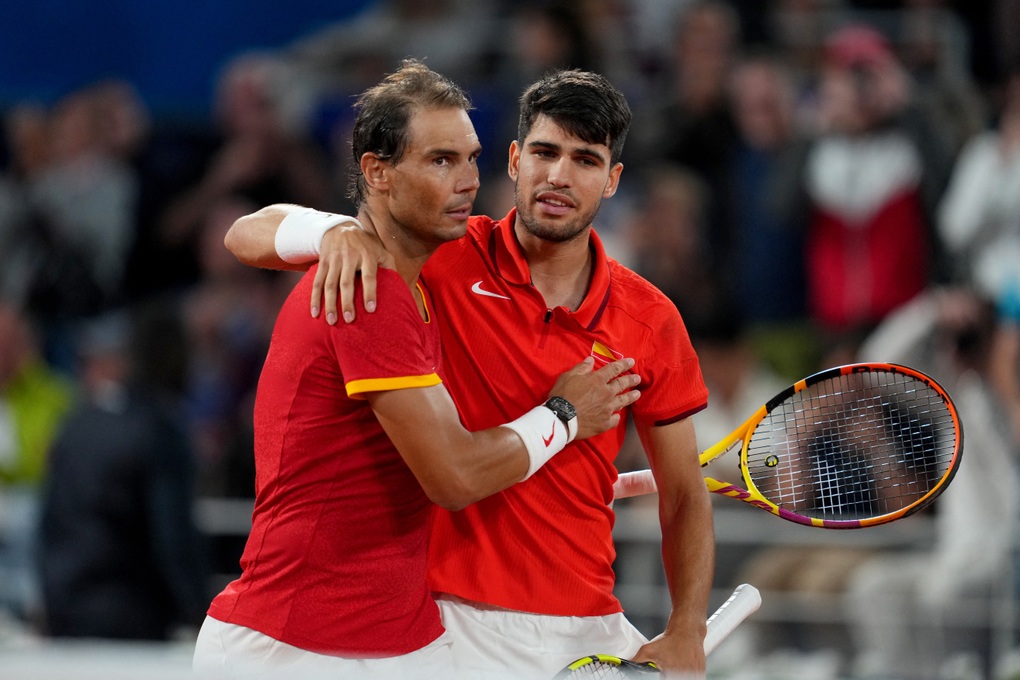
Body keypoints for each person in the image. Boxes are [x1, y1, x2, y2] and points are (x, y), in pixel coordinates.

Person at [224, 68, 714, 678]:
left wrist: (687, 628)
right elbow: (244, 234)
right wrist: (334, 230)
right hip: (449, 626)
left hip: (592, 621)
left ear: (612, 180)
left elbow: (686, 494)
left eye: (586, 160)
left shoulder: (652, 319)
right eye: (545, 152)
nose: (559, 175)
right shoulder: (437, 254)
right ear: (514, 160)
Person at [37, 302, 209, 641]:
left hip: (64, 614)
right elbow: (172, 538)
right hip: (131, 622)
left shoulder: (75, 425)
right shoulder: (160, 432)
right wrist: (200, 611)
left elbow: (48, 526)